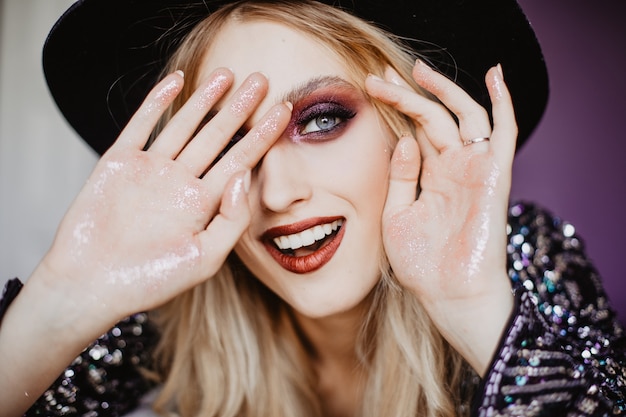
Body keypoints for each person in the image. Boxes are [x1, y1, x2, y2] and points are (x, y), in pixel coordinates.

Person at [0, 0, 624, 416]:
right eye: (232, 144)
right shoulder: (169, 310)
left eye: (321, 120)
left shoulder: (519, 258)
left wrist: (475, 311)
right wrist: (66, 295)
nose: (275, 194)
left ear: (407, 121)